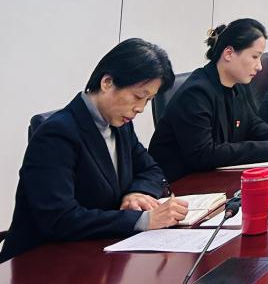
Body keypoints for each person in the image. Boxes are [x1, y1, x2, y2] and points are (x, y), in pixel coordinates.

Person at [1, 39, 188, 262]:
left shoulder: (121, 125)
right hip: (40, 262)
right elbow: (60, 219)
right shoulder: (56, 134)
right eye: (139, 96)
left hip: (96, 253)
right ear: (107, 82)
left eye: (148, 100)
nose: (140, 108)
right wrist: (143, 220)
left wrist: (137, 193)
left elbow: (151, 170)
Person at [149, 20, 268, 181]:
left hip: (214, 177)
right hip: (181, 185)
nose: (259, 66)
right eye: (254, 57)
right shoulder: (196, 93)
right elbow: (204, 154)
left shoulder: (237, 84)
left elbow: (252, 125)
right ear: (228, 53)